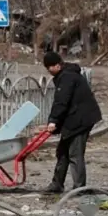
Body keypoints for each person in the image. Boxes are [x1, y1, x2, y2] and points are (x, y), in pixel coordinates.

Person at [41, 52, 102, 194]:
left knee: (75, 153)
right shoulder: (65, 75)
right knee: (62, 152)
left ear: (57, 65)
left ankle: (80, 187)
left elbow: (62, 102)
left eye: (49, 67)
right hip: (74, 118)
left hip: (81, 119)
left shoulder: (67, 77)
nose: (48, 71)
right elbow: (65, 104)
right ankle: (57, 184)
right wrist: (55, 124)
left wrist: (53, 121)